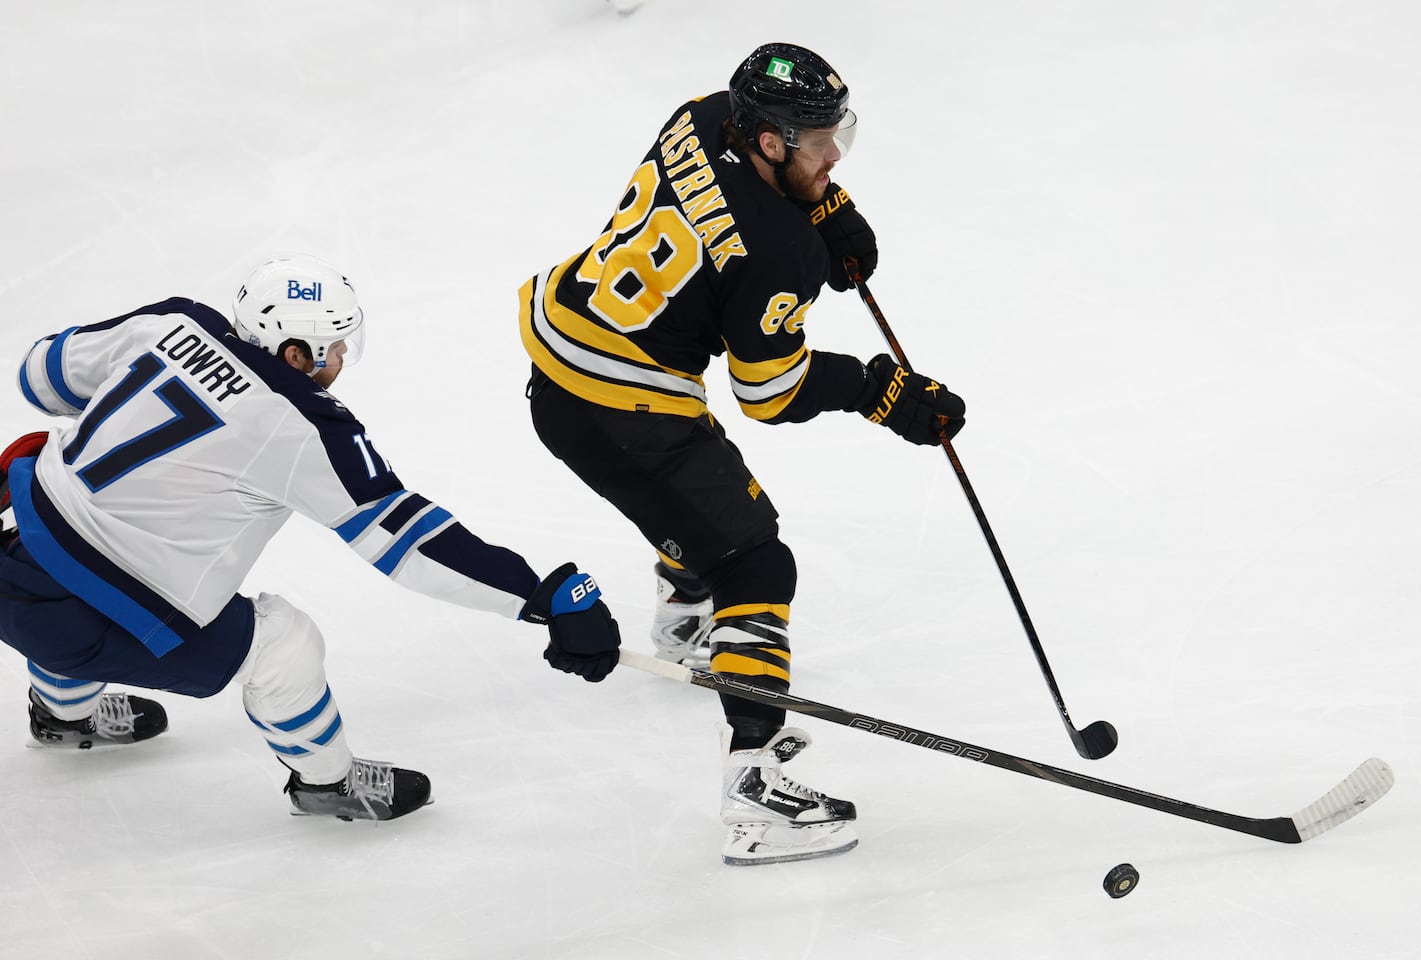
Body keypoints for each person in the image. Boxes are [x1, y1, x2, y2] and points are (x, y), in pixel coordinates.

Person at [518, 43, 967, 864]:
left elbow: (733, 206)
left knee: (704, 490)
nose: (834, 157)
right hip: (619, 406)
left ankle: (686, 612)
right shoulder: (775, 254)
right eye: (819, 145)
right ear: (768, 141)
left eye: (838, 138)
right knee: (756, 561)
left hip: (569, 349)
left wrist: (825, 208)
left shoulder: (702, 114)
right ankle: (754, 786)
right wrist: (879, 391)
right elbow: (771, 392)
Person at [0, 254, 622, 822]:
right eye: (334, 346)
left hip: (11, 542)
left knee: (68, 556)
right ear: (295, 353)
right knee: (282, 645)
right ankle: (329, 784)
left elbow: (39, 376)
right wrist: (539, 597)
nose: (343, 356)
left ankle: (62, 713)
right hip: (75, 620)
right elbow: (408, 541)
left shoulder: (172, 322)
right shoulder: (304, 424)